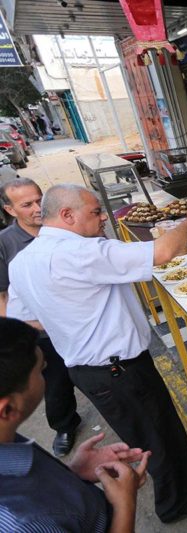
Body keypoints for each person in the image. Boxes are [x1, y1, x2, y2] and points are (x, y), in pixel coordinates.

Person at [7, 184, 187, 523]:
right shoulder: (82, 253)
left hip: (92, 367)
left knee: (158, 422)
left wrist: (67, 318)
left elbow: (23, 317)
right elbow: (164, 251)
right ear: (67, 215)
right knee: (154, 435)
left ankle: (180, 462)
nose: (103, 216)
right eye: (95, 212)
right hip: (116, 368)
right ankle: (174, 503)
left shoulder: (23, 262)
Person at [0, 316, 151, 532]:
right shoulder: (23, 523)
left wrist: (73, 474)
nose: (47, 373)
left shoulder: (4, 435)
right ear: (7, 410)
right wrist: (125, 504)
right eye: (41, 371)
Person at [0, 178, 81, 457]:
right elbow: (2, 298)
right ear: (10, 210)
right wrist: (20, 336)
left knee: (95, 376)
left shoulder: (62, 226)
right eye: (27, 204)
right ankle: (65, 426)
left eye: (39, 199)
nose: (37, 208)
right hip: (41, 333)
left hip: (80, 324)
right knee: (55, 385)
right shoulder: (5, 244)